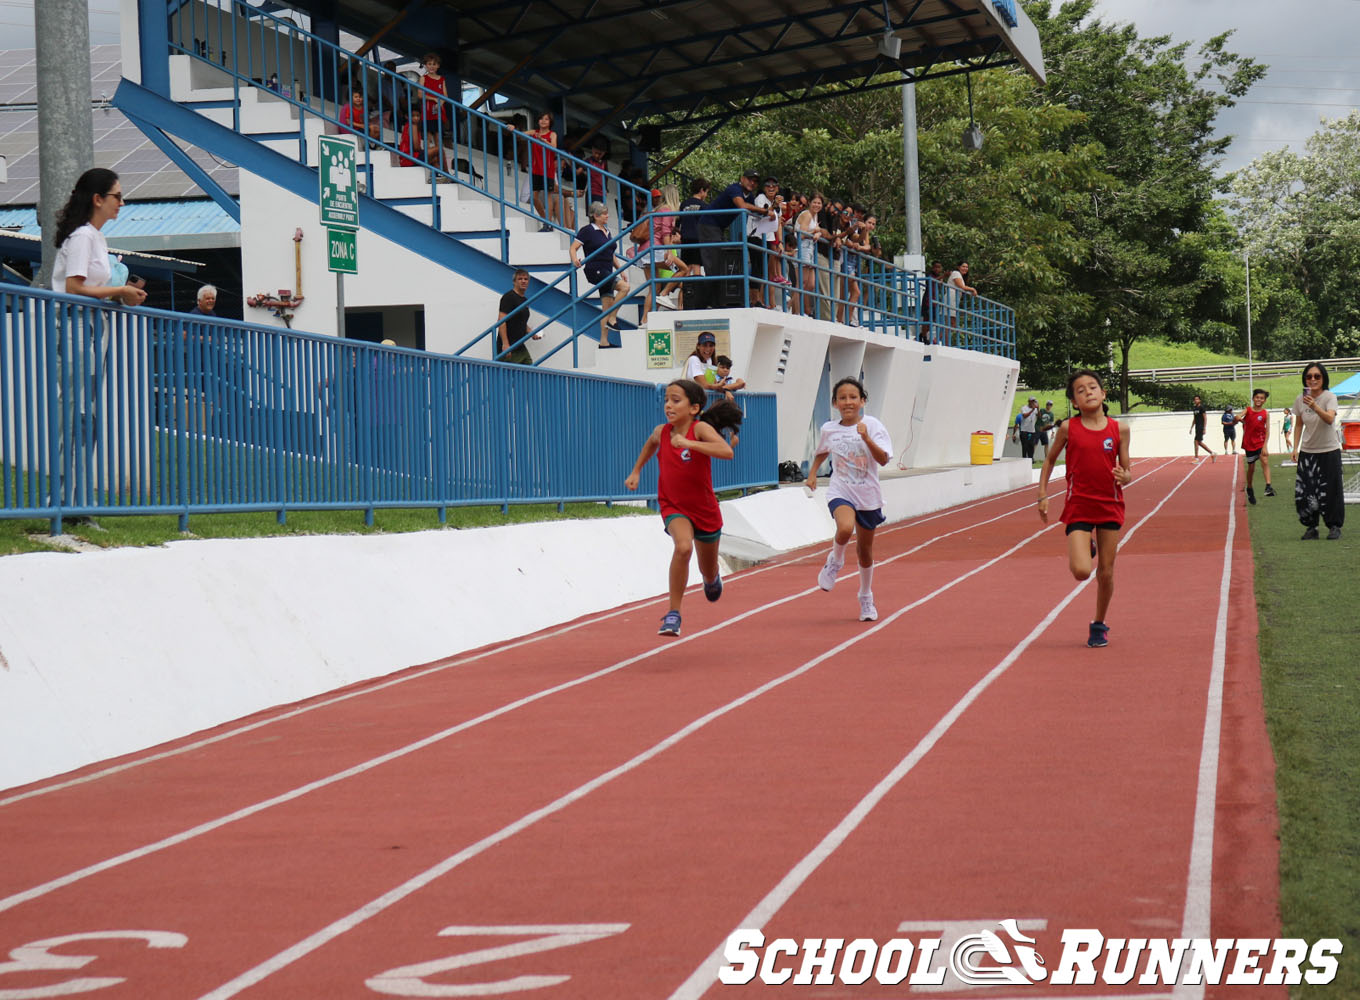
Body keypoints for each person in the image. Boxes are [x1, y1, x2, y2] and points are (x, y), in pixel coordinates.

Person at [624, 380, 744, 636]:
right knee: (683, 547)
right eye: (667, 399)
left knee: (708, 570)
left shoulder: (699, 429)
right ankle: (673, 614)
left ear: (694, 407)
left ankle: (711, 579)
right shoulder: (662, 431)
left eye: (676, 400)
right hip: (673, 505)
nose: (668, 405)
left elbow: (726, 451)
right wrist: (636, 471)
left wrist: (690, 444)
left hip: (704, 509)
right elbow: (650, 444)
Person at [1037, 369, 1133, 648]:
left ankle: (1099, 624)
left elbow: (1127, 469)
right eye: (1081, 390)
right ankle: (1085, 546)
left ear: (1103, 394)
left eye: (1093, 387)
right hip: (1078, 504)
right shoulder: (1069, 428)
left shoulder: (1119, 429)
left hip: (1110, 505)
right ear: (1075, 402)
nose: (1088, 392)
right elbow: (1049, 461)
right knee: (1081, 571)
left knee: (1106, 571)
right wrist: (1042, 494)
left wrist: (1126, 477)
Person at [806, 376, 893, 622]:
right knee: (844, 528)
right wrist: (812, 474)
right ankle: (835, 561)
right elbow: (822, 451)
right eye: (842, 398)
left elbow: (884, 459)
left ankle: (865, 596)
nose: (848, 402)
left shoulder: (873, 425)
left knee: (865, 550)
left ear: (863, 401)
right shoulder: (829, 429)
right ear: (834, 403)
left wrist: (866, 438)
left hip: (868, 495)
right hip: (840, 489)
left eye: (853, 397)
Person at [50, 168, 146, 307]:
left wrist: (121, 297)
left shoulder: (96, 236)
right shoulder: (83, 235)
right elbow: (73, 288)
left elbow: (90, 290)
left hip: (91, 321)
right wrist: (122, 289)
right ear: (98, 199)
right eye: (117, 196)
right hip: (78, 322)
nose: (121, 203)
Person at [1291, 362, 1344, 540]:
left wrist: (1314, 406)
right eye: (1309, 376)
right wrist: (1295, 447)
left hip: (1329, 450)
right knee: (1307, 491)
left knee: (1332, 490)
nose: (1312, 380)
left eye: (1317, 376)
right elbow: (1298, 424)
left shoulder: (1330, 397)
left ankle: (1334, 526)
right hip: (1308, 452)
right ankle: (1311, 527)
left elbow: (1329, 418)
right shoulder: (1300, 399)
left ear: (1323, 378)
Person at [569, 201, 629, 348]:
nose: (607, 216)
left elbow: (611, 253)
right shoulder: (587, 230)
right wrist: (575, 260)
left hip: (607, 270)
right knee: (624, 288)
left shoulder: (607, 231)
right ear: (595, 216)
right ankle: (613, 318)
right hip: (595, 270)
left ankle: (604, 342)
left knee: (606, 307)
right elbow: (573, 248)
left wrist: (620, 269)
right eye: (604, 213)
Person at [1234, 389, 1275, 505]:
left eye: (1262, 398)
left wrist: (1265, 445)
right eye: (1257, 397)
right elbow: (1239, 416)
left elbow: (1267, 431)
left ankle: (1268, 486)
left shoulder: (1265, 413)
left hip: (1260, 442)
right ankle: (1250, 488)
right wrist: (1238, 418)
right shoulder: (1248, 410)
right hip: (1249, 443)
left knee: (1265, 460)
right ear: (1253, 398)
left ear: (1265, 400)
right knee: (1251, 468)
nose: (1259, 400)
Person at [677, 177, 710, 307]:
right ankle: (696, 303)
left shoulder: (684, 204)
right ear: (702, 190)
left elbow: (678, 223)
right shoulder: (704, 206)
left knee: (686, 271)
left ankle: (681, 305)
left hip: (685, 240)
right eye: (706, 192)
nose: (706, 195)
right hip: (698, 240)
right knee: (696, 270)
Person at [527, 112, 560, 231]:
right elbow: (520, 134)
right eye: (541, 118)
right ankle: (547, 220)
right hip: (536, 168)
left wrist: (543, 141)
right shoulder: (534, 133)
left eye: (546, 119)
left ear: (550, 122)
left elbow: (554, 147)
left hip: (548, 168)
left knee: (548, 196)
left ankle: (547, 224)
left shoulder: (552, 134)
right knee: (534, 197)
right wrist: (513, 128)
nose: (543, 121)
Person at [497, 268, 536, 365]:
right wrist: (505, 344)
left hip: (519, 345)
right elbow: (501, 321)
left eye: (526, 279)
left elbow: (521, 321)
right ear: (514, 282)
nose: (523, 281)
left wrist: (532, 333)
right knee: (509, 377)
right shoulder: (509, 297)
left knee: (530, 372)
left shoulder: (524, 300)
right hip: (509, 346)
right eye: (520, 279)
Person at [947, 261, 977, 341]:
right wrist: (972, 289)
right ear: (958, 267)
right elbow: (961, 286)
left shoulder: (959, 275)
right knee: (951, 323)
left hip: (954, 300)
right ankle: (938, 340)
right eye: (963, 266)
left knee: (950, 324)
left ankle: (940, 341)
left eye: (967, 267)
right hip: (951, 299)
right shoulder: (956, 273)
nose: (965, 268)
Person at [1189, 394, 1215, 461]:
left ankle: (1196, 458)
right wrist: (1191, 427)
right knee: (1199, 442)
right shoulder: (1194, 408)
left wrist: (1204, 428)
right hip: (1197, 427)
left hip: (1201, 426)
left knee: (1196, 442)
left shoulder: (1202, 408)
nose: (1196, 400)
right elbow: (1194, 419)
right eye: (1195, 399)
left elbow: (1205, 418)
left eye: (1197, 399)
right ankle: (1212, 453)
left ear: (1200, 400)